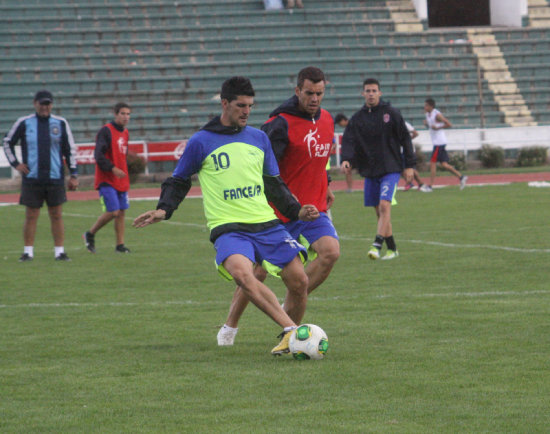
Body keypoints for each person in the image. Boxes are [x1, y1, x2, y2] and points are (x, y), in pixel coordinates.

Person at [133, 76, 320, 355]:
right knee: (244, 276)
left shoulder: (259, 139)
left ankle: (291, 340)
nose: (246, 111)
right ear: (224, 104)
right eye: (240, 105)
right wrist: (164, 209)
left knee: (299, 281)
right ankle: (293, 332)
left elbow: (273, 184)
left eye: (250, 106)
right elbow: (180, 180)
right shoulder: (201, 141)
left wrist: (296, 210)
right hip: (228, 227)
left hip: (266, 223)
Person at [217, 66, 340, 346]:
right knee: (258, 272)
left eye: (319, 93)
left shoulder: (328, 120)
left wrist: (327, 182)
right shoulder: (280, 123)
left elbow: (318, 158)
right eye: (309, 93)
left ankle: (289, 319)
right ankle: (230, 326)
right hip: (278, 210)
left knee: (330, 253)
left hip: (313, 208)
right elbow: (261, 166)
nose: (314, 98)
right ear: (297, 91)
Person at [341, 78, 415, 261]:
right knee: (380, 213)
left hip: (391, 168)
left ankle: (376, 245)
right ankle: (392, 249)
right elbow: (349, 140)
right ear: (363, 94)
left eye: (374, 90)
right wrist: (346, 160)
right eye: (368, 90)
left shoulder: (391, 113)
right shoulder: (358, 119)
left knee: (384, 206)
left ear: (380, 93)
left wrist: (409, 165)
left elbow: (405, 138)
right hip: (370, 171)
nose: (371, 94)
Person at [2, 90, 79, 262]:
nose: (45, 107)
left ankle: (59, 251)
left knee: (57, 214)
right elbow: (7, 142)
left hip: (55, 177)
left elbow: (70, 149)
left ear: (52, 105)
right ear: (35, 104)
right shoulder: (24, 122)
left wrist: (73, 174)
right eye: (42, 104)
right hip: (32, 178)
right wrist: (16, 164)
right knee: (31, 215)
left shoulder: (60, 123)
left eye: (48, 104)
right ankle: (28, 251)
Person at [84, 102, 132, 254]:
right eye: (123, 113)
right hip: (107, 178)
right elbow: (98, 155)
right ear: (116, 114)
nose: (126, 117)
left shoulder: (126, 133)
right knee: (113, 211)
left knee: (122, 212)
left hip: (121, 178)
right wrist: (112, 168)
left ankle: (120, 245)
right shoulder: (106, 131)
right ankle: (90, 234)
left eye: (128, 114)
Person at [421, 98, 467, 192]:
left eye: (426, 105)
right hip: (437, 142)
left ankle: (430, 186)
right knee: (444, 164)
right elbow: (431, 126)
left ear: (431, 106)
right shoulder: (427, 115)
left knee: (432, 163)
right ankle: (461, 177)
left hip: (439, 142)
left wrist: (438, 128)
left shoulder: (436, 114)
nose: (424, 107)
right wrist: (426, 124)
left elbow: (449, 124)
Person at [335, 113, 355, 192]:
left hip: (355, 154)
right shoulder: (348, 128)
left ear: (343, 120)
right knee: (347, 170)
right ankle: (350, 188)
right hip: (349, 155)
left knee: (348, 171)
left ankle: (350, 188)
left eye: (339, 123)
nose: (339, 125)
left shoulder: (353, 126)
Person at [403, 121, 425, 191]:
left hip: (407, 149)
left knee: (410, 168)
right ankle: (411, 183)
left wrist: (406, 141)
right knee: (401, 168)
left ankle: (418, 183)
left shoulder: (404, 123)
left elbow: (415, 133)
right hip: (399, 149)